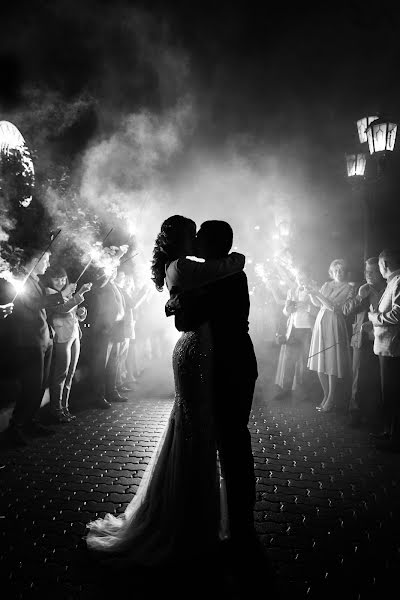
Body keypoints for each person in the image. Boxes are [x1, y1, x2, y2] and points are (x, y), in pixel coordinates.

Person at [86, 214, 245, 567]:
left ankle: (187, 515)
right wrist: (235, 260)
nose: (197, 239)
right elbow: (229, 266)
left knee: (191, 428)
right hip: (195, 349)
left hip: (196, 347)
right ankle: (187, 522)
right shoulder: (185, 265)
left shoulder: (182, 265)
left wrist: (174, 304)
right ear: (184, 240)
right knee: (194, 430)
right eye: (193, 234)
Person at [4, 250, 72, 446]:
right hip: (29, 341)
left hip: (43, 340)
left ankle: (30, 422)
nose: (48, 265)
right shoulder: (23, 280)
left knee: (40, 385)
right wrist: (61, 295)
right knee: (31, 386)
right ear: (36, 260)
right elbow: (33, 303)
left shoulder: (36, 280)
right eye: (46, 260)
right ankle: (15, 428)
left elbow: (42, 305)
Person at [43, 265, 92, 423]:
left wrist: (81, 313)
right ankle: (56, 410)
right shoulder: (49, 293)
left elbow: (73, 312)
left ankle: (65, 408)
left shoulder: (66, 292)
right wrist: (80, 293)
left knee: (70, 373)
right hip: (62, 336)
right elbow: (62, 309)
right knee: (60, 374)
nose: (60, 281)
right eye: (56, 279)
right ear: (50, 279)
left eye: (63, 278)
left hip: (74, 334)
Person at [342, 257, 386, 429]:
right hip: (362, 341)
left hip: (383, 342)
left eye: (373, 271)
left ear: (381, 272)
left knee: (378, 380)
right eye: (366, 271)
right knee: (358, 380)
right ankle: (355, 414)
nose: (368, 275)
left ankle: (375, 415)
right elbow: (345, 311)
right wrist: (360, 297)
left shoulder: (388, 289)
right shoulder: (361, 290)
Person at [307, 259, 353, 412]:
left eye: (341, 270)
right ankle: (326, 395)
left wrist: (317, 294)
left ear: (345, 272)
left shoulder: (348, 288)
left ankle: (331, 398)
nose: (338, 273)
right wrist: (311, 294)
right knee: (320, 362)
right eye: (335, 271)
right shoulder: (327, 285)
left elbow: (334, 307)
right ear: (331, 272)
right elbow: (317, 304)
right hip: (321, 322)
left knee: (332, 362)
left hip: (334, 323)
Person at [368, 249, 400, 451]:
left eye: (379, 266)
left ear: (385, 264)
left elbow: (397, 314)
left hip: (393, 348)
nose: (379, 270)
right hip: (384, 347)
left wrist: (374, 319)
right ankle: (389, 432)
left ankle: (394, 439)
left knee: (393, 395)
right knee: (387, 395)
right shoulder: (392, 282)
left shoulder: (398, 282)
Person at [274, 267, 318, 401]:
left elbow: (321, 311)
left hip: (308, 330)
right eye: (299, 278)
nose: (301, 281)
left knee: (305, 362)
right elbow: (285, 312)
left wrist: (308, 307)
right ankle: (286, 390)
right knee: (289, 361)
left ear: (308, 278)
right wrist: (288, 309)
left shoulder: (315, 290)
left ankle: (304, 392)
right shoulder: (292, 291)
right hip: (293, 330)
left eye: (303, 278)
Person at [89, 267, 128, 408]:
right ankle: (98, 397)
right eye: (112, 269)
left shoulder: (113, 285)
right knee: (100, 365)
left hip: (116, 328)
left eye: (116, 269)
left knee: (114, 362)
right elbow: (99, 285)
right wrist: (107, 272)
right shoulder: (101, 283)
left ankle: (112, 392)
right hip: (104, 329)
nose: (114, 271)